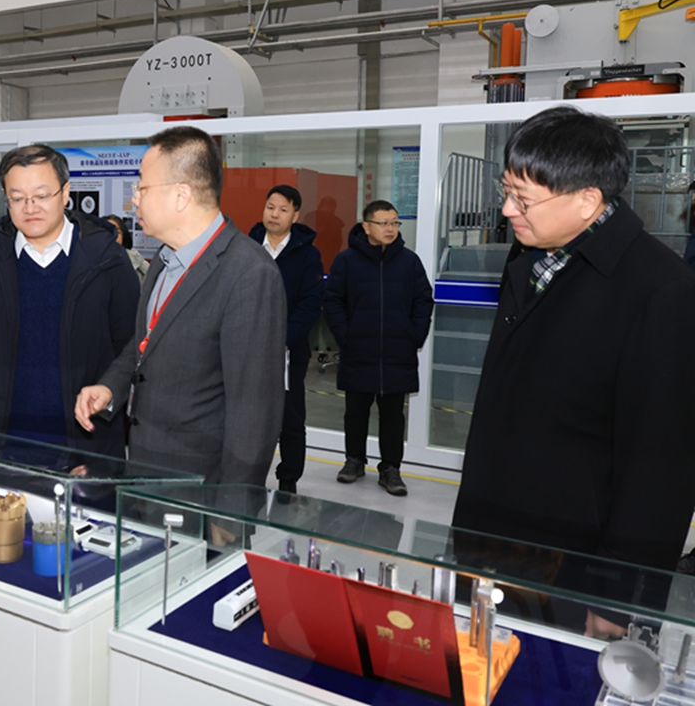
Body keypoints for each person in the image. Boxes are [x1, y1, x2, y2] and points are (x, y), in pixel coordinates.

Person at [453, 106, 695, 575]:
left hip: (572, 558)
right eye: (506, 192)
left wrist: (619, 588)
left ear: (587, 200)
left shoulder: (662, 290)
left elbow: (661, 467)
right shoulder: (530, 256)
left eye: (523, 199)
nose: (507, 211)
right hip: (490, 528)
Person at [75, 126, 285, 488]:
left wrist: (230, 509)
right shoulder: (164, 259)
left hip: (200, 486)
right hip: (146, 469)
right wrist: (111, 387)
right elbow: (148, 340)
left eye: (142, 187)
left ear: (181, 195)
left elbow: (254, 414)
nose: (134, 199)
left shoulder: (249, 274)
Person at [0, 144, 139, 457]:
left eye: (41, 195)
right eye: (17, 198)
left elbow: (128, 344)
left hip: (87, 440)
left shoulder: (108, 261)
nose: (30, 208)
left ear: (65, 193)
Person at [323, 199, 432, 497]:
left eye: (395, 222)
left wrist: (414, 335)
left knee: (393, 415)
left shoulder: (409, 262)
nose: (391, 228)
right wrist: (346, 336)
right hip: (359, 348)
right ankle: (354, 461)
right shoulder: (347, 261)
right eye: (384, 223)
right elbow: (332, 301)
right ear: (366, 227)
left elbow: (423, 300)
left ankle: (390, 469)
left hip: (398, 350)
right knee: (355, 411)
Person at [248, 185, 324, 494]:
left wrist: (285, 339)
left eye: (282, 209)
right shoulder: (247, 247)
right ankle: (248, 475)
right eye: (270, 207)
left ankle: (288, 479)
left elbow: (310, 304)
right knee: (249, 416)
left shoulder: (307, 254)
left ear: (294, 215)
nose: (274, 214)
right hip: (247, 348)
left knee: (290, 418)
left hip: (288, 351)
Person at [104, 213, 150, 283]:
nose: (113, 237)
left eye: (117, 232)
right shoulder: (89, 263)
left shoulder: (138, 263)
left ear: (123, 236)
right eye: (108, 232)